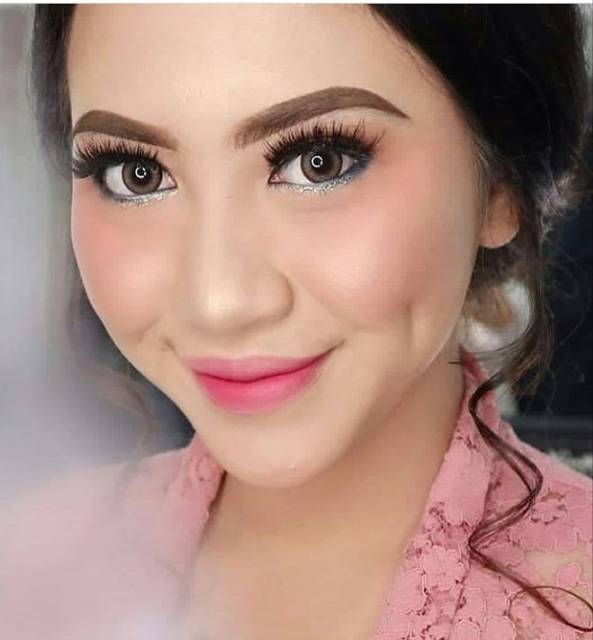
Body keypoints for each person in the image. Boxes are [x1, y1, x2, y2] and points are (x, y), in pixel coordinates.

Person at [0, 5, 591, 639]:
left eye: (320, 161)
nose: (219, 302)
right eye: (136, 174)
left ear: (501, 183)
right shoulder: (26, 564)